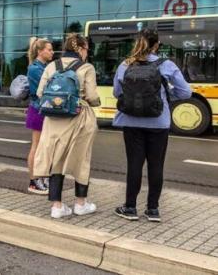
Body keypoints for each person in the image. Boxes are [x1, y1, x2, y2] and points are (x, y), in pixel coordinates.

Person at [113, 29, 191, 223]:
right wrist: (165, 96)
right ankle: (153, 209)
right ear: (157, 45)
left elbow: (117, 93)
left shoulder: (125, 64)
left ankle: (130, 208)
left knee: (134, 164)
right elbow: (186, 93)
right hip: (159, 123)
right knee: (156, 165)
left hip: (131, 122)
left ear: (137, 43)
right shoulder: (167, 65)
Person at [34, 33, 100, 219]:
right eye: (86, 49)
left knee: (56, 159)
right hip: (79, 119)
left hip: (53, 120)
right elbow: (93, 96)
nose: (87, 52)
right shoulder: (87, 67)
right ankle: (80, 203)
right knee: (81, 159)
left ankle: (57, 206)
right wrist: (94, 102)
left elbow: (40, 93)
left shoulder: (51, 66)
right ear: (80, 49)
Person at [25, 37, 53, 195]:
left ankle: (42, 177)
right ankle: (33, 180)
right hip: (38, 110)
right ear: (40, 51)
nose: (52, 52)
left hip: (42, 110)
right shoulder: (35, 68)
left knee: (44, 147)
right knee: (36, 146)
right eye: (49, 49)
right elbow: (45, 89)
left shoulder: (43, 66)